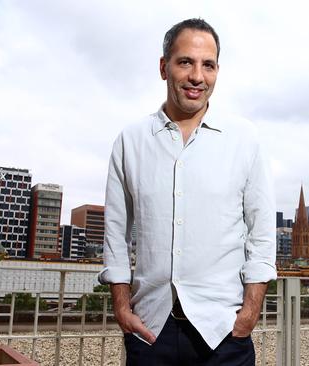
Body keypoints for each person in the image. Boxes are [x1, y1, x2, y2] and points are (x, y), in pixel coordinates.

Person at [99, 18, 276, 365]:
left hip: (224, 333)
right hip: (150, 331)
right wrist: (122, 307)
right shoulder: (130, 141)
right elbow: (115, 236)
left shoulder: (245, 140)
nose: (198, 76)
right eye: (186, 62)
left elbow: (262, 233)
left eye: (207, 65)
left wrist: (250, 312)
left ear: (217, 71)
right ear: (164, 68)